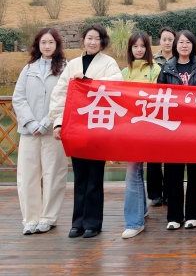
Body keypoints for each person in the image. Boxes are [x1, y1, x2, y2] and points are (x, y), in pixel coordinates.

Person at [49, 24, 122, 239]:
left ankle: (93, 222)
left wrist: (89, 83)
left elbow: (117, 84)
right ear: (83, 40)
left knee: (95, 176)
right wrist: (58, 123)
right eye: (89, 38)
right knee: (79, 176)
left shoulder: (109, 63)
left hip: (99, 126)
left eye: (96, 38)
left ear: (102, 41)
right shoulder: (72, 65)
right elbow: (59, 94)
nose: (92, 42)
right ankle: (77, 222)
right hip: (76, 127)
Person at [13, 28, 68, 236]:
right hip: (29, 132)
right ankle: (30, 219)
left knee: (53, 175)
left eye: (51, 42)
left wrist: (46, 122)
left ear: (57, 45)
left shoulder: (65, 68)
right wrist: (30, 123)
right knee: (27, 176)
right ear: (38, 45)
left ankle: (48, 218)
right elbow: (18, 98)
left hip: (53, 131)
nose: (47, 46)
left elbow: (65, 98)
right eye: (43, 42)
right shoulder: (28, 69)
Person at [158, 30, 196, 230]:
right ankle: (174, 216)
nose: (184, 45)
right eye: (181, 42)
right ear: (175, 45)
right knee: (173, 173)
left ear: (193, 45)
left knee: (195, 172)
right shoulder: (167, 68)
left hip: (195, 128)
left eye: (188, 42)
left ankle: (193, 215)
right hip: (173, 128)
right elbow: (160, 96)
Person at [120, 31, 161, 239]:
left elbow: (157, 98)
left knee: (133, 170)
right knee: (134, 170)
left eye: (142, 46)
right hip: (129, 128)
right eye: (135, 46)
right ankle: (140, 211)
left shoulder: (156, 69)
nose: (139, 50)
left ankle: (134, 222)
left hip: (148, 127)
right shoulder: (124, 72)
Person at [149, 26, 175, 208]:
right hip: (155, 111)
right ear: (160, 41)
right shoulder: (152, 61)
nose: (167, 42)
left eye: (170, 39)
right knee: (154, 155)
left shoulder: (179, 59)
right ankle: (155, 193)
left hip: (173, 111)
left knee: (171, 155)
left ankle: (169, 192)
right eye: (164, 39)